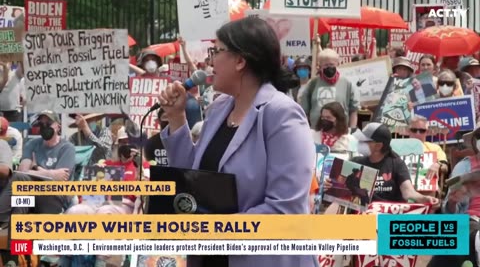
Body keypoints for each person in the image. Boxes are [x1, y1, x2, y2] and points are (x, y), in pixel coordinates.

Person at [158, 17, 316, 267]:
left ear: (241, 60)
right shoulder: (219, 108)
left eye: (217, 51)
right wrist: (177, 118)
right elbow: (193, 178)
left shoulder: (282, 114)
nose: (210, 61)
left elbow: (285, 209)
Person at [0, 110, 76, 222]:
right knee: (23, 197)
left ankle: (2, 213)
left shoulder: (67, 148)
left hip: (55, 196)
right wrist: (50, 173)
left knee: (23, 186)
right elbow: (22, 171)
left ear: (58, 127)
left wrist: (35, 168)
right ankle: (15, 235)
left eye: (48, 123)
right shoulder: (32, 144)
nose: (44, 127)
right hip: (32, 193)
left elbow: (60, 180)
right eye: (41, 124)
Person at [351, 122, 439, 206]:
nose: (360, 143)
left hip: (389, 214)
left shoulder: (396, 164)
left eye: (364, 141)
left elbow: (408, 192)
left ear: (378, 146)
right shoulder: (355, 163)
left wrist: (425, 199)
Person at [301, 48, 359, 129]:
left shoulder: (347, 83)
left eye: (332, 65)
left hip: (340, 132)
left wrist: (352, 130)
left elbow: (353, 110)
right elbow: (304, 112)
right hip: (317, 132)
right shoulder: (312, 84)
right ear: (320, 66)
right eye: (326, 65)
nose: (329, 67)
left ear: (337, 64)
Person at [442, 127, 480, 214]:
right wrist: (452, 202)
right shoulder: (463, 167)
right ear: (475, 142)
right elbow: (449, 213)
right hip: (473, 221)